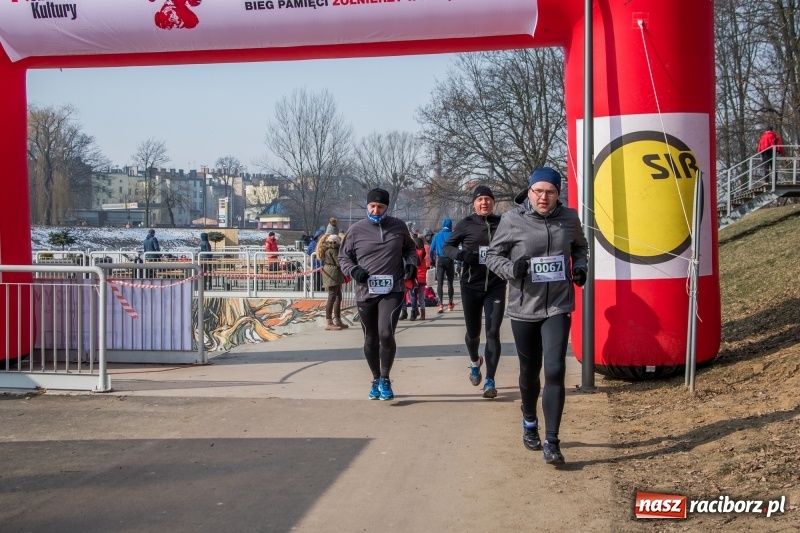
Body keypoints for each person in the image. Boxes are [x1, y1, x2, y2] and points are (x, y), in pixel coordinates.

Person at [485, 167, 588, 466]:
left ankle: (552, 441)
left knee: (555, 369)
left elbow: (580, 247)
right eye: (538, 191)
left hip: (558, 305)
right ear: (529, 192)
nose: (544, 197)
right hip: (524, 307)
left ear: (559, 194)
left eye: (551, 192)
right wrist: (512, 269)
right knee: (530, 372)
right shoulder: (512, 219)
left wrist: (580, 268)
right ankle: (529, 419)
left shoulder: (569, 219)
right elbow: (494, 256)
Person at [339, 187, 418, 401]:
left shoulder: (398, 227)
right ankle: (375, 379)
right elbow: (344, 258)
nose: (376, 210)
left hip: (393, 289)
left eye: (380, 206)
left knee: (385, 333)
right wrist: (354, 270)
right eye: (372, 206)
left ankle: (385, 378)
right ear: (367, 206)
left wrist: (411, 263)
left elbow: (410, 249)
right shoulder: (355, 230)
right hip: (366, 291)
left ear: (387, 207)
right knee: (370, 338)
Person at [443, 185, 507, 399]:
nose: (484, 203)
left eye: (488, 199)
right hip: (471, 285)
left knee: (492, 332)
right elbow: (447, 247)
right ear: (474, 204)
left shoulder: (503, 224)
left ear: (493, 202)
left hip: (496, 286)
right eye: (480, 200)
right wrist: (462, 255)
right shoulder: (466, 224)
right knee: (473, 334)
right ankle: (474, 361)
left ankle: (490, 380)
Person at [318, 233, 349, 331]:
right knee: (333, 297)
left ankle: (337, 320)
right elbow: (339, 262)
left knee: (337, 297)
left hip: (331, 273)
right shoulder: (334, 249)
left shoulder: (328, 248)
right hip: (333, 274)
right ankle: (329, 322)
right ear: (336, 241)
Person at [430, 217, 455, 313]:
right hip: (450, 260)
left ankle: (440, 304)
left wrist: (432, 261)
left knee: (440, 283)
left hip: (440, 260)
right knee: (450, 282)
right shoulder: (453, 235)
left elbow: (431, 250)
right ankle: (450, 303)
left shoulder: (437, 236)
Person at [407, 236, 429, 321]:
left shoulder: (413, 253)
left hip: (414, 278)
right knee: (421, 298)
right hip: (422, 279)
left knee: (413, 296)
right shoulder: (423, 254)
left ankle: (415, 311)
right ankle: (422, 315)